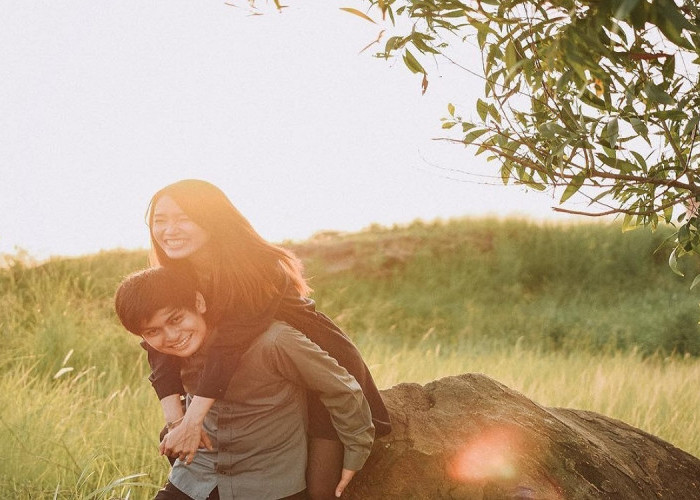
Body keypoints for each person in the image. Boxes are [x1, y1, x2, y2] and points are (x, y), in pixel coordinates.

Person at [143, 179, 391, 499]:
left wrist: (192, 420)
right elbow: (157, 341)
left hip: (311, 365)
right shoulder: (175, 273)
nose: (169, 230)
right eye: (160, 221)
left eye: (182, 218)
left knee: (319, 491)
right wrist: (176, 418)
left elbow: (229, 345)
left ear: (211, 218)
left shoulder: (255, 266)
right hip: (252, 376)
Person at [114, 266, 375, 500]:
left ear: (198, 302)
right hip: (198, 478)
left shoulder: (274, 341)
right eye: (153, 331)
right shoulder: (170, 354)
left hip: (268, 484)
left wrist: (355, 452)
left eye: (176, 319)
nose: (171, 337)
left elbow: (341, 388)